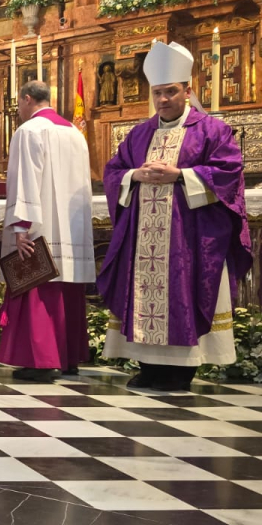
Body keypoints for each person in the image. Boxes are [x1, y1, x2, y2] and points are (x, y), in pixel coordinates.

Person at [99, 41, 252, 392]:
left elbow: (229, 173)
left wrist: (180, 175)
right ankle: (149, 367)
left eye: (171, 91)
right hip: (144, 239)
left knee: (184, 293)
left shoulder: (212, 130)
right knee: (142, 295)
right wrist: (133, 176)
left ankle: (182, 371)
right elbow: (114, 171)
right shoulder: (139, 133)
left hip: (189, 238)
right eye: (157, 93)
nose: (163, 99)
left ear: (188, 90)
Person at [0, 81, 96, 382]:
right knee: (67, 291)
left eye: (19, 104)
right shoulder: (74, 133)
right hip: (72, 226)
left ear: (27, 100)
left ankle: (40, 360)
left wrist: (21, 226)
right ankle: (68, 358)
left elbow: (25, 179)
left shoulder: (28, 131)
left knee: (38, 290)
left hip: (40, 226)